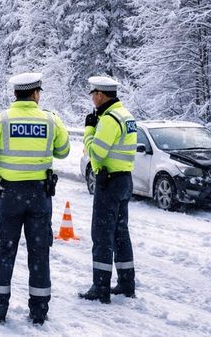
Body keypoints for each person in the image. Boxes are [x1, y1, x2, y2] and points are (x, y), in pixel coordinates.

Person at [0, 72, 70, 325]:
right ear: (36, 93)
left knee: (4, 252)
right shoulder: (50, 120)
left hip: (10, 197)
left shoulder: (0, 120)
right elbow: (63, 152)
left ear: (15, 94)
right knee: (39, 253)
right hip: (40, 196)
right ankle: (39, 311)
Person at [79, 76, 137, 303]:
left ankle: (100, 287)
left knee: (102, 235)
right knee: (121, 234)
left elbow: (96, 152)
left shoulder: (110, 119)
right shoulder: (126, 115)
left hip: (109, 182)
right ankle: (126, 283)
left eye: (93, 94)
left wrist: (89, 131)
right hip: (124, 180)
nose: (93, 98)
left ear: (101, 95)